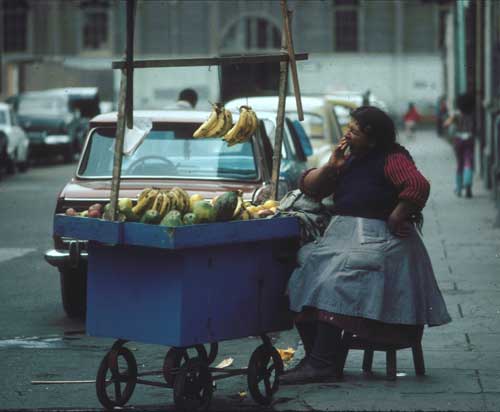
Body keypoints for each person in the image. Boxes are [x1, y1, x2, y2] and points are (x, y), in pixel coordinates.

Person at [280, 106, 451, 385]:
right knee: (301, 275)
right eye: (349, 128)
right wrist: (331, 167)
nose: (347, 134)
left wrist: (398, 214)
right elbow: (311, 188)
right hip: (345, 241)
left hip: (380, 244)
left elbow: (417, 185)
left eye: (354, 131)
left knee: (331, 283)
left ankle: (321, 363)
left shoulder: (392, 158)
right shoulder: (349, 159)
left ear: (372, 138)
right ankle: (321, 360)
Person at [443, 93, 475, 198]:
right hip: (469, 139)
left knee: (460, 164)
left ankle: (459, 188)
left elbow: (446, 124)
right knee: (469, 162)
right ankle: (468, 183)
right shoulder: (472, 114)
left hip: (458, 140)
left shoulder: (456, 114)